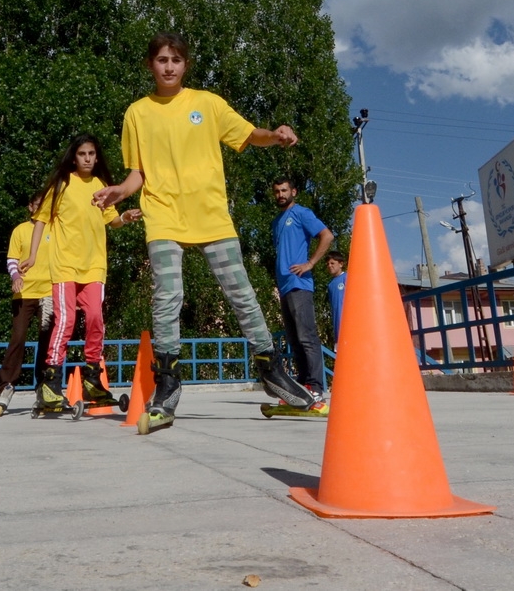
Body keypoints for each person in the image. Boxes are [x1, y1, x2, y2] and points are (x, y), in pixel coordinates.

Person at [91, 32, 316, 431]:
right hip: (162, 216)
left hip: (211, 215)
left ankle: (270, 369)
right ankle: (168, 379)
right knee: (167, 296)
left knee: (241, 293)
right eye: (161, 59)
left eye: (176, 60)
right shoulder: (137, 113)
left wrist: (275, 134)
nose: (169, 66)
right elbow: (136, 173)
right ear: (150, 65)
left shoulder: (207, 104)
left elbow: (248, 135)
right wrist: (118, 192)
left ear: (186, 65)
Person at [20, 133, 142, 411]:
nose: (87, 158)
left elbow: (112, 220)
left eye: (91, 154)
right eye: (82, 154)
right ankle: (50, 382)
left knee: (97, 319)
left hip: (94, 266)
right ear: (73, 157)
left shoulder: (100, 185)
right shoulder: (62, 184)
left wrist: (125, 217)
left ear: (97, 157)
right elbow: (40, 221)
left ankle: (91, 378)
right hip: (65, 266)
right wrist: (33, 255)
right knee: (66, 321)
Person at [272, 177, 334, 399]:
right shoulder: (277, 221)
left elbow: (327, 236)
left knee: (306, 336)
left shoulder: (301, 213)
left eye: (284, 190)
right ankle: (303, 385)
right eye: (277, 191)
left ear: (294, 192)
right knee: (294, 338)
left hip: (300, 284)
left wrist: (310, 263)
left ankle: (316, 387)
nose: (281, 194)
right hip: (285, 287)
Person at [0, 193, 54, 416]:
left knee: (47, 339)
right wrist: (15, 277)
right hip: (25, 291)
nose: (40, 209)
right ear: (30, 207)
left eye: (44, 206)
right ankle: (7, 385)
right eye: (37, 205)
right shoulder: (20, 230)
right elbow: (12, 259)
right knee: (18, 337)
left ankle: (44, 384)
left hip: (49, 292)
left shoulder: (54, 229)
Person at [325, 250, 348, 349]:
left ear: (341, 264)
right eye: (328, 264)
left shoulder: (347, 277)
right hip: (337, 327)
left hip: (348, 325)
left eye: (332, 263)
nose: (330, 266)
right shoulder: (330, 285)